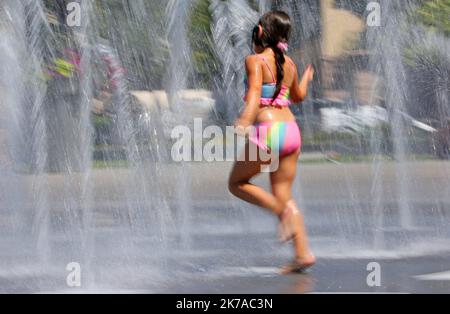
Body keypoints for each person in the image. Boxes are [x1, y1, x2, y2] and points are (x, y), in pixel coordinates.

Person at [228, 10, 315, 273]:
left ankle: (280, 212)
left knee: (237, 183)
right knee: (285, 195)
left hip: (269, 132)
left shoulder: (255, 61)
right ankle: (302, 254)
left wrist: (244, 120)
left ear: (261, 33)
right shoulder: (289, 64)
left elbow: (255, 94)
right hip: (291, 132)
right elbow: (297, 96)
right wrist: (307, 78)